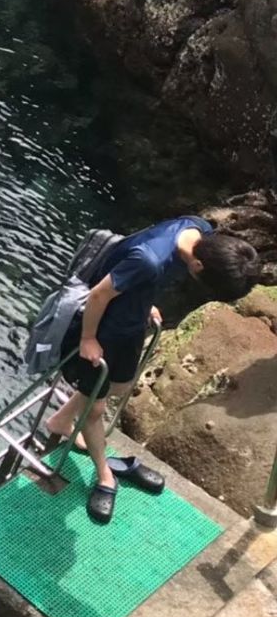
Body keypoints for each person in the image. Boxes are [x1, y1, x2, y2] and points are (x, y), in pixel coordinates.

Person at [44, 217, 259, 523]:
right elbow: (98, 295)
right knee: (95, 409)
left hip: (130, 319)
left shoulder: (200, 231)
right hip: (100, 327)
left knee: (119, 386)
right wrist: (88, 339)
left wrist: (145, 303)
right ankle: (105, 476)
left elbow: (142, 276)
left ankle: (61, 420)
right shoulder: (148, 261)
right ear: (198, 267)